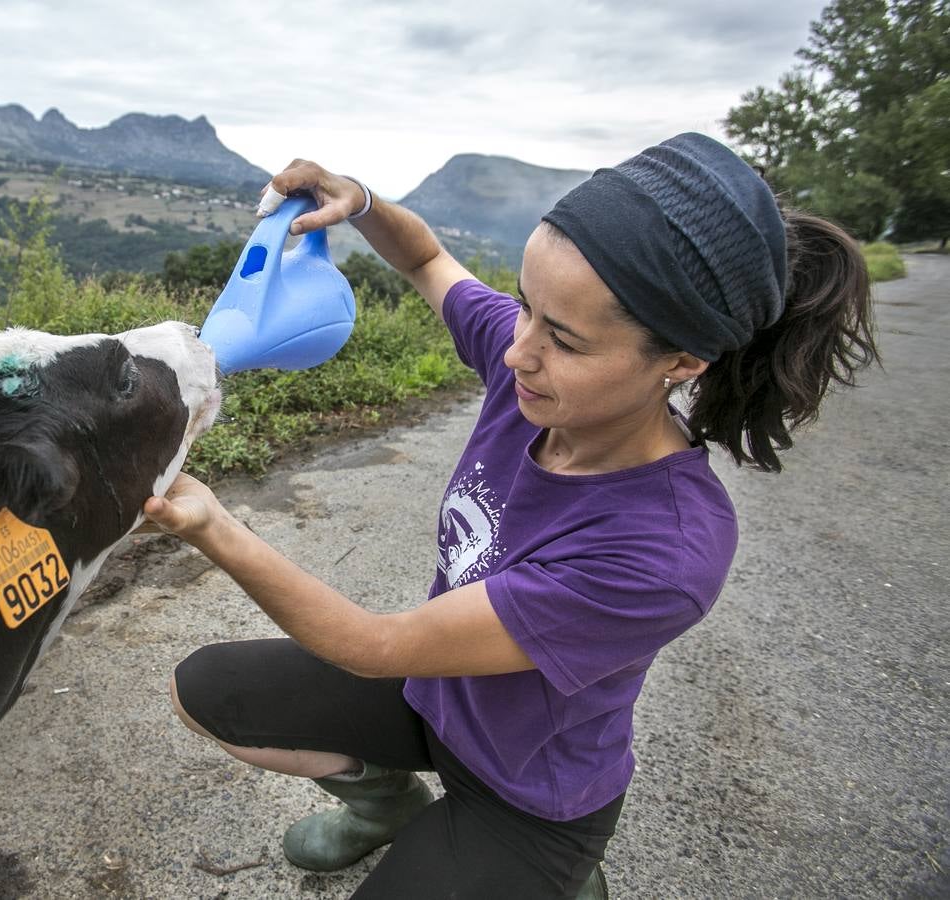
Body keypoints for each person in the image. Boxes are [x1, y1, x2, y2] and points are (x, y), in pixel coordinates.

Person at [141, 133, 879, 898]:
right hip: (433, 698)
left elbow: (376, 644)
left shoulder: (667, 548)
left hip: (531, 794)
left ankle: (552, 878)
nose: (519, 351)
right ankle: (385, 807)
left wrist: (212, 526)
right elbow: (427, 260)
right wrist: (356, 200)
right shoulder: (526, 372)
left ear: (684, 361)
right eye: (527, 307)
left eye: (562, 339)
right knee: (206, 692)